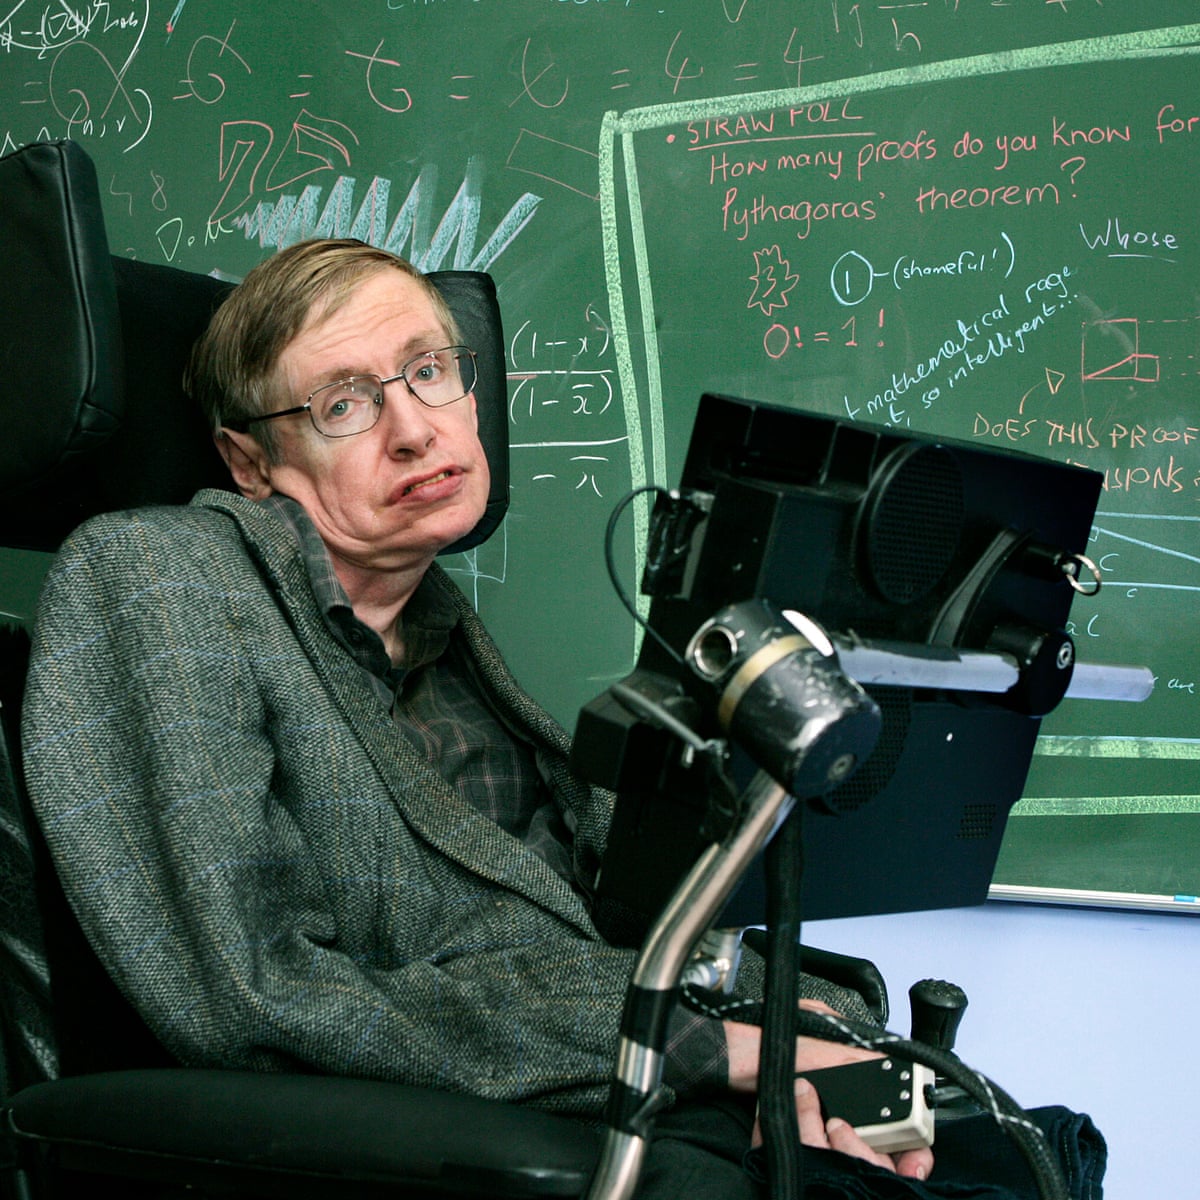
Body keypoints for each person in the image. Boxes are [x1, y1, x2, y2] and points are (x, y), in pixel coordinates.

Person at [22, 238, 932, 1194]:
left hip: (614, 1087)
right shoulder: (156, 574)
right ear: (250, 462)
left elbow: (582, 915)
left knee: (983, 1146)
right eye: (342, 405)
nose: (414, 431)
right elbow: (256, 993)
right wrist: (697, 1048)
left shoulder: (436, 625)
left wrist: (807, 1030)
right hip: (473, 1135)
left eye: (428, 371)